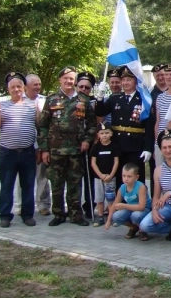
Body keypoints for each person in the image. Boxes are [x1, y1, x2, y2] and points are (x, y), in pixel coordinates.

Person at [38, 66, 96, 226]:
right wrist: (44, 150)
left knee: (75, 183)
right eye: (66, 78)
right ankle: (58, 214)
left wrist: (87, 140)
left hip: (76, 150)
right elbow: (42, 126)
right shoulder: (51, 100)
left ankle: (76, 214)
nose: (69, 81)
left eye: (71, 79)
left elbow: (92, 124)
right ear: (60, 80)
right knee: (56, 183)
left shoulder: (83, 100)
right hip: (55, 150)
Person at [0, 72, 39, 228]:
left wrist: (41, 149)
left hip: (28, 152)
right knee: (7, 185)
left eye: (19, 86)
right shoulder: (2, 106)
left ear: (24, 87)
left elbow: (40, 127)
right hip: (8, 153)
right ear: (8, 89)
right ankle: (5, 216)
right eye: (13, 87)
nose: (16, 89)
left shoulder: (33, 105)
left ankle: (27, 215)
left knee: (28, 185)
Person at [95, 66, 152, 189]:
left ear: (135, 81)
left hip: (136, 144)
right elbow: (100, 112)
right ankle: (120, 204)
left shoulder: (143, 99)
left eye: (129, 80)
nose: (125, 83)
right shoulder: (115, 98)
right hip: (117, 144)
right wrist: (99, 97)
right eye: (123, 80)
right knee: (120, 177)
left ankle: (138, 204)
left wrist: (148, 147)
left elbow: (149, 125)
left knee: (136, 175)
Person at [23, 74, 50, 216]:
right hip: (25, 146)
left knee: (43, 176)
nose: (38, 87)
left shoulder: (45, 100)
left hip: (42, 145)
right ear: (26, 86)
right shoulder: (19, 101)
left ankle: (43, 205)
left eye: (39, 84)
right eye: (35, 85)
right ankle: (23, 205)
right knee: (24, 178)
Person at [105, 162, 152, 240]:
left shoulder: (141, 187)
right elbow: (115, 204)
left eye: (129, 176)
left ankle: (142, 230)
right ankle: (133, 227)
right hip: (131, 209)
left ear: (136, 177)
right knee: (116, 216)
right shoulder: (122, 188)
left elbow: (141, 207)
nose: (126, 179)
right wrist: (109, 220)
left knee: (136, 215)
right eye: (124, 176)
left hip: (144, 210)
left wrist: (124, 206)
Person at [90, 123, 121, 227]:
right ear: (98, 134)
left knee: (111, 198)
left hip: (110, 178)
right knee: (99, 198)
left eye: (107, 133)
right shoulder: (96, 147)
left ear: (111, 133)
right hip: (99, 178)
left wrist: (111, 175)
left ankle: (111, 217)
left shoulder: (114, 146)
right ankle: (100, 216)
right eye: (102, 133)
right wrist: (100, 175)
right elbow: (93, 163)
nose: (104, 135)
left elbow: (116, 161)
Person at [76, 71, 97, 218]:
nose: (84, 90)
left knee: (90, 177)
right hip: (72, 145)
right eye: (81, 87)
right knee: (75, 178)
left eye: (87, 88)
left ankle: (90, 206)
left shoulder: (95, 102)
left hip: (90, 144)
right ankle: (74, 208)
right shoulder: (70, 100)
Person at [153, 63, 171, 164]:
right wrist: (156, 142)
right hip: (161, 143)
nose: (168, 77)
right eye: (166, 75)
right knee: (160, 173)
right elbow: (158, 122)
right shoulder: (160, 97)